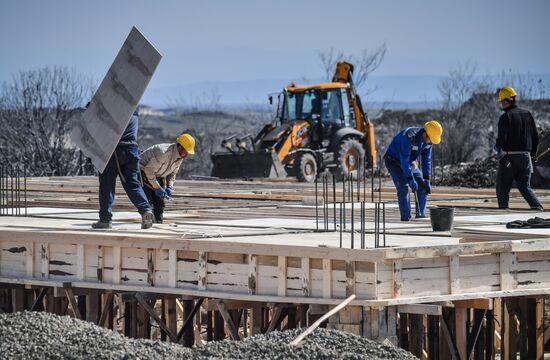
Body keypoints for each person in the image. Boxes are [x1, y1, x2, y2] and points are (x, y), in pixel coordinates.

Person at [92, 106, 154, 229]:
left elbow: (103, 122)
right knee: (133, 184)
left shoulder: (118, 105)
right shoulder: (134, 107)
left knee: (107, 184)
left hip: (116, 148)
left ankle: (105, 219)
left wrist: (93, 109)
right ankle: (146, 209)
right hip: (132, 149)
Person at [495, 86, 543, 211]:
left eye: (502, 101)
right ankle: (537, 208)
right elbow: (535, 136)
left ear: (506, 101)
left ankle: (503, 211)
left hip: (510, 158)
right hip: (525, 158)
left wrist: (497, 147)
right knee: (525, 186)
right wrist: (533, 154)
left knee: (502, 186)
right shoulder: (527, 114)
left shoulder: (506, 117)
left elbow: (502, 137)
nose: (501, 104)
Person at [384, 120, 442, 221]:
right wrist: (410, 179)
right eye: (431, 140)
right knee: (404, 187)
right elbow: (404, 160)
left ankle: (421, 216)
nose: (432, 143)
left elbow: (426, 160)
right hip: (393, 161)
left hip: (408, 162)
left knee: (423, 186)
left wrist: (427, 180)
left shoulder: (428, 142)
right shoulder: (408, 137)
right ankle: (406, 219)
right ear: (425, 134)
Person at [140, 133, 195, 223]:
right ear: (179, 147)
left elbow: (173, 173)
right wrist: (157, 188)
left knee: (160, 204)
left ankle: (158, 223)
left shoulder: (180, 157)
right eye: (186, 152)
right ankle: (148, 224)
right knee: (148, 202)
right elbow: (149, 171)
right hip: (143, 172)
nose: (186, 155)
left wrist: (170, 186)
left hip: (158, 174)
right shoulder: (163, 152)